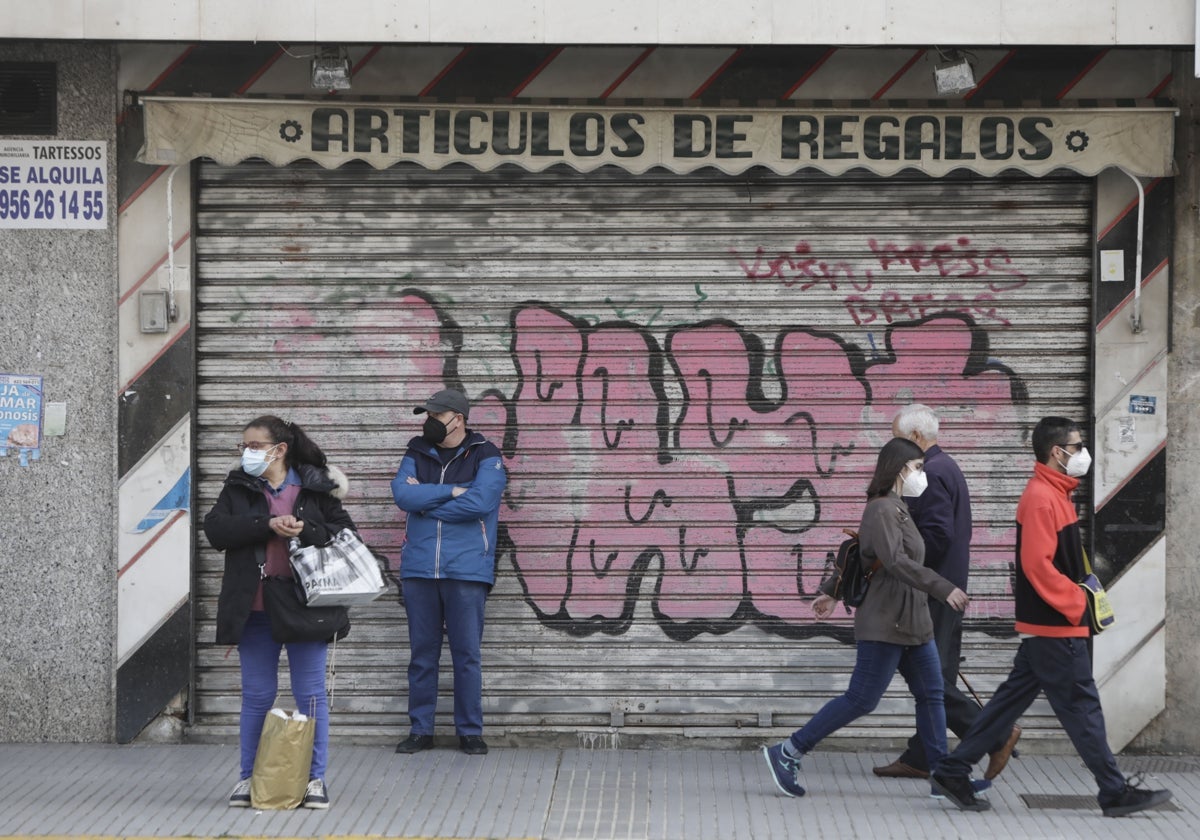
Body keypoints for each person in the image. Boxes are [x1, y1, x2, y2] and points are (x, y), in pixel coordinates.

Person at [933, 417, 1173, 817]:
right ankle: (1113, 792)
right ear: (1056, 452)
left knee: (1006, 707)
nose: (1083, 454)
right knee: (1082, 706)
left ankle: (953, 771)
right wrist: (1077, 603)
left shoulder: (1055, 493)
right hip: (1055, 626)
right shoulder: (1043, 497)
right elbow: (1037, 566)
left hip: (1047, 627)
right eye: (1077, 447)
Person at [763, 437, 971, 798]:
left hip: (913, 621)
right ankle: (788, 751)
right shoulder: (882, 509)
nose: (922, 475)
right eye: (918, 468)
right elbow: (894, 561)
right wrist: (943, 587)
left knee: (932, 694)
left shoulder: (898, 506)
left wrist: (831, 590)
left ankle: (944, 775)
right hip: (886, 621)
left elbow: (858, 555)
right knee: (862, 698)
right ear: (900, 469)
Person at [203, 415, 355, 810]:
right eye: (244, 446)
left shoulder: (317, 485)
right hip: (252, 606)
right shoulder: (238, 485)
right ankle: (247, 777)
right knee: (257, 695)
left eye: (254, 446)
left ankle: (315, 779)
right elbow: (216, 531)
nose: (246, 453)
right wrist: (267, 523)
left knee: (311, 696)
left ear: (279, 449)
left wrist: (304, 528)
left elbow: (344, 534)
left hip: (307, 607)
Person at [874, 404, 1021, 781]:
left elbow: (937, 535)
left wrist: (901, 559)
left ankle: (995, 733)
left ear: (916, 438)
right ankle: (923, 755)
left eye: (896, 437)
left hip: (934, 591)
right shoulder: (945, 466)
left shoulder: (932, 473)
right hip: (946, 587)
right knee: (940, 673)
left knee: (927, 674)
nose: (891, 447)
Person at [392, 388, 507, 756]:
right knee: (421, 655)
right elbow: (402, 496)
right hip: (420, 568)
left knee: (466, 655)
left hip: (467, 569)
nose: (428, 423)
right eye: (426, 416)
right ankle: (420, 729)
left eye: (436, 417)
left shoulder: (486, 454)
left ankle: (469, 731)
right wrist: (454, 491)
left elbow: (481, 501)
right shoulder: (416, 451)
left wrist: (428, 502)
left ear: (458, 418)